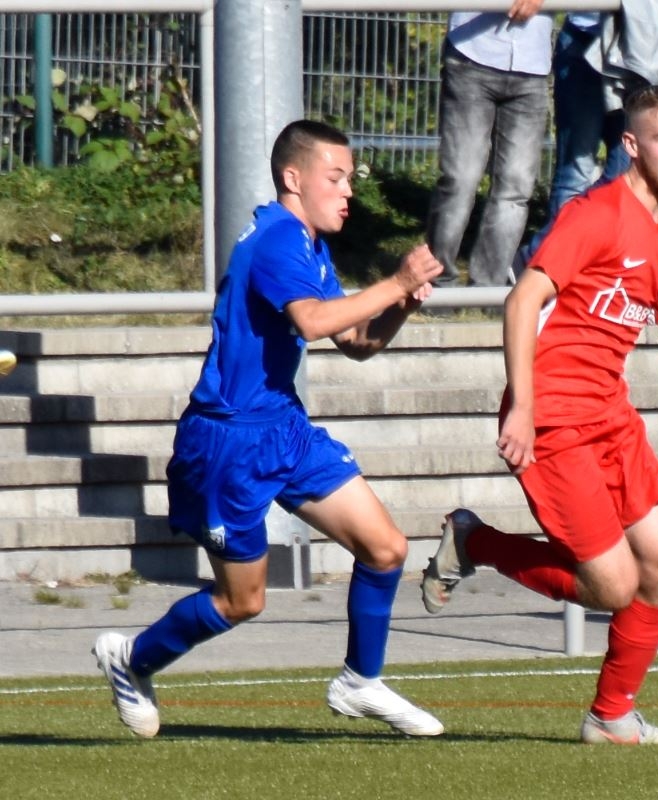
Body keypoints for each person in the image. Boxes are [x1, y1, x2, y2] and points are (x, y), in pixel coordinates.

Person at [422, 79, 658, 745]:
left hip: (610, 417)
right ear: (632, 145)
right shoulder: (596, 215)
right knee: (612, 587)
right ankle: (474, 542)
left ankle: (610, 717)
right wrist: (522, 406)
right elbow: (522, 301)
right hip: (552, 417)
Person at [92, 120, 445, 739]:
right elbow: (311, 322)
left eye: (350, 179)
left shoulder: (308, 244)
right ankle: (132, 659)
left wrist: (399, 308)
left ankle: (360, 681)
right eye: (336, 178)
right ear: (293, 178)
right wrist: (395, 281)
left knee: (386, 548)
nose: (348, 192)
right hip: (226, 442)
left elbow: (353, 341)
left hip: (282, 425)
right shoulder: (278, 238)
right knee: (243, 600)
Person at [512, 0, 658, 281]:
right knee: (576, 172)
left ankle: (559, 261)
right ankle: (546, 268)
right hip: (585, 38)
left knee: (627, 173)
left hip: (636, 47)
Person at [425, 1, 552, 290]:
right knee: (460, 180)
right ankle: (438, 283)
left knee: (516, 190)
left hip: (532, 65)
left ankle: (488, 289)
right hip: (471, 54)